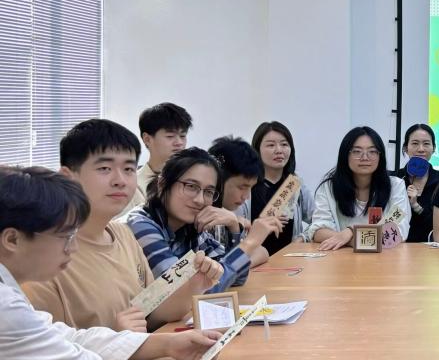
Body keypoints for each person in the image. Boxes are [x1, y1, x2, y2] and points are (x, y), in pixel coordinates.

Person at [0, 166, 221, 360]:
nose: (72, 248)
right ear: (12, 239)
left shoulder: (123, 234)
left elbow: (67, 339)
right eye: (64, 237)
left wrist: (165, 345)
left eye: (129, 168)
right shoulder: (6, 307)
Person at [23, 120, 224, 333]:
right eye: (105, 168)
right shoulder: (41, 257)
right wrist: (118, 336)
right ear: (68, 177)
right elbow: (45, 347)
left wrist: (194, 285)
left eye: (129, 169)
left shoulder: (123, 235)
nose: (120, 180)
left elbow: (150, 314)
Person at [129, 148, 283, 290]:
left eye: (209, 192)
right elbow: (181, 290)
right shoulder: (141, 224)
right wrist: (250, 243)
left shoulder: (192, 227)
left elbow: (236, 279)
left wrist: (234, 229)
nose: (200, 200)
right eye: (191, 186)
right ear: (162, 184)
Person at [307, 127, 411, 250]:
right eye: (357, 151)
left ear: (380, 156)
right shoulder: (328, 188)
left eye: (372, 151)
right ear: (345, 155)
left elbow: (396, 232)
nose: (365, 157)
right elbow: (318, 231)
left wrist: (351, 232)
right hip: (341, 258)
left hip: (385, 258)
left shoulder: (396, 186)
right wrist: (356, 239)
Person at [239, 121, 314, 255]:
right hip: (253, 261)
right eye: (271, 145)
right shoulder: (247, 186)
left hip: (290, 261)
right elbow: (234, 229)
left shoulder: (295, 184)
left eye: (284, 144)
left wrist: (302, 238)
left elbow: (319, 221)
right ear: (257, 149)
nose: (279, 150)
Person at [120, 102, 193, 218]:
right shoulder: (133, 184)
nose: (179, 142)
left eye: (183, 136)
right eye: (170, 136)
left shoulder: (193, 179)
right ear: (147, 139)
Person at [208, 136, 268, 254]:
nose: (246, 196)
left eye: (250, 188)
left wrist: (234, 226)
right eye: (242, 187)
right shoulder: (199, 219)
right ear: (218, 179)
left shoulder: (230, 215)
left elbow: (261, 252)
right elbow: (225, 262)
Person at [392, 124, 439, 242]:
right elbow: (388, 221)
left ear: (433, 148)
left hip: (431, 249)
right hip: (397, 247)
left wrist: (416, 206)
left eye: (426, 143)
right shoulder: (395, 180)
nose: (421, 149)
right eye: (415, 143)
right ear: (405, 148)